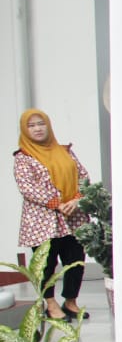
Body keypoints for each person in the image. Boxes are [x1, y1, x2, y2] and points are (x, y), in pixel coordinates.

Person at [13, 109, 89, 320]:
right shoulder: (23, 157)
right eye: (32, 125)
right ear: (25, 130)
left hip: (73, 215)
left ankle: (71, 301)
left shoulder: (65, 151)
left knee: (76, 259)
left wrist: (76, 199)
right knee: (46, 263)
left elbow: (83, 176)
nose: (37, 129)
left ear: (48, 125)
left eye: (41, 124)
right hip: (42, 219)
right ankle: (51, 303)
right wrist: (57, 203)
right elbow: (27, 187)